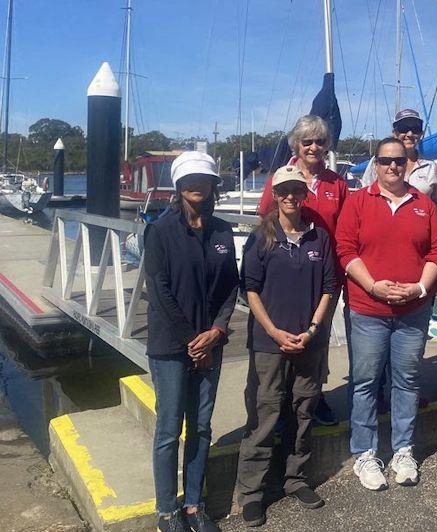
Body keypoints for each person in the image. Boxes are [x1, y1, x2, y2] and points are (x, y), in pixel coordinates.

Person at [336, 137, 437, 490]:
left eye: (399, 161)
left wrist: (418, 288)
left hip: (413, 311)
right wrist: (373, 286)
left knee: (406, 382)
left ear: (408, 163)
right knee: (366, 383)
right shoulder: (358, 202)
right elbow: (345, 250)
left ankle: (403, 449)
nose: (393, 167)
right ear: (376, 163)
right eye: (385, 161)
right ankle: (365, 454)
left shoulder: (424, 205)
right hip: (369, 309)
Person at [143, 151, 239, 532]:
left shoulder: (222, 231)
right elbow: (160, 290)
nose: (198, 185)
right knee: (169, 429)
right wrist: (191, 341)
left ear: (214, 184)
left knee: (201, 427)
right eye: (190, 179)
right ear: (179, 185)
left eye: (205, 178)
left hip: (210, 343)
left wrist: (216, 332)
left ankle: (195, 505)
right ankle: (167, 509)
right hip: (171, 345)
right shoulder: (160, 231)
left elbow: (231, 285)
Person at [236, 165, 336, 526]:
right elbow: (250, 289)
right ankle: (252, 493)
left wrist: (311, 330)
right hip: (269, 342)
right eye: (284, 191)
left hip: (309, 341)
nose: (291, 197)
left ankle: (295, 478)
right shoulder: (261, 237)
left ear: (305, 193)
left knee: (304, 410)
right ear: (275, 195)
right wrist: (275, 331)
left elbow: (328, 287)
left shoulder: (319, 236)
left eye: (297, 190)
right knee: (265, 415)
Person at [256, 115, 349, 426]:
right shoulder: (280, 178)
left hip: (326, 275)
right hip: (286, 272)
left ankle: (314, 396)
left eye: (320, 141)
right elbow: (264, 221)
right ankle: (281, 398)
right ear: (296, 144)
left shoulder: (338, 183)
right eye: (306, 141)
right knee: (282, 333)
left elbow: (347, 228)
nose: (313, 147)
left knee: (317, 336)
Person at [360, 109, 437, 205]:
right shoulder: (379, 161)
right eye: (404, 128)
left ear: (421, 134)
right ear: (395, 133)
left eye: (415, 129)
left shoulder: (430, 167)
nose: (410, 134)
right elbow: (365, 193)